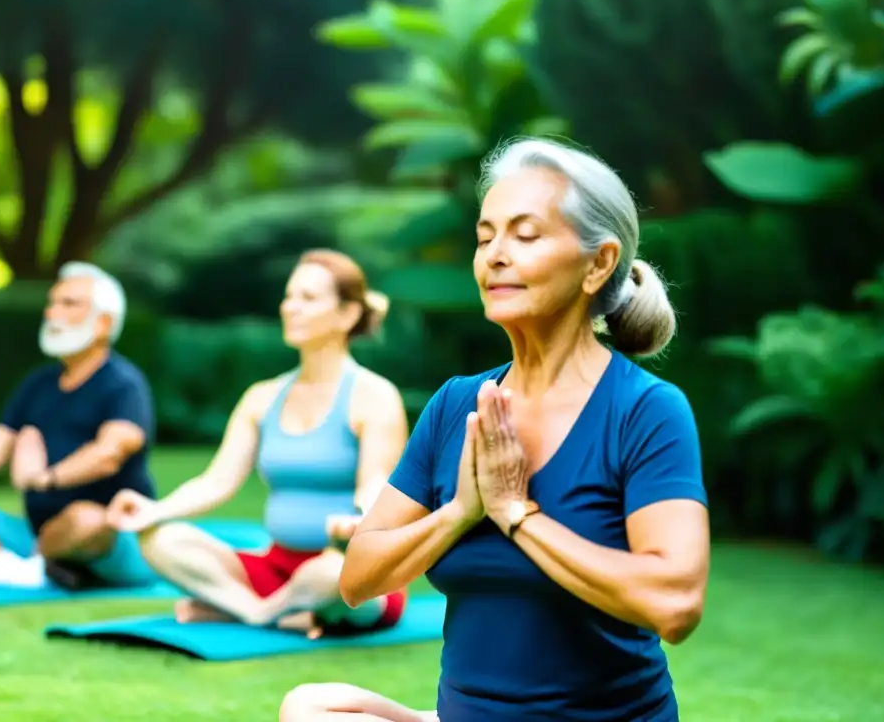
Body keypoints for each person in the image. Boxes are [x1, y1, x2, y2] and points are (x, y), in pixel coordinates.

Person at [278, 138, 711, 722]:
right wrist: (460, 511)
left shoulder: (645, 410)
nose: (495, 256)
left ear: (598, 263)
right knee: (313, 708)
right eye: (485, 238)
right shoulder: (458, 404)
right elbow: (358, 577)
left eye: (525, 236)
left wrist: (517, 514)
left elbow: (674, 601)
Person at [107, 249, 410, 636]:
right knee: (160, 538)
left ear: (348, 314)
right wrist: (154, 510)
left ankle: (261, 610)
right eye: (289, 296)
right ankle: (265, 612)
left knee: (331, 575)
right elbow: (217, 481)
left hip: (350, 570)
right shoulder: (262, 397)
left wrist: (357, 519)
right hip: (275, 570)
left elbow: (377, 484)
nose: (291, 307)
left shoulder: (374, 395)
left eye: (308, 298)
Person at [0, 262, 157, 590]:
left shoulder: (124, 384)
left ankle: (39, 563)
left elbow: (108, 454)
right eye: (52, 303)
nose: (53, 313)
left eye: (69, 304)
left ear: (104, 323)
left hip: (109, 535)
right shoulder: (38, 383)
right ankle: (22, 573)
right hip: (38, 532)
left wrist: (46, 479)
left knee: (87, 519)